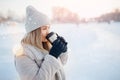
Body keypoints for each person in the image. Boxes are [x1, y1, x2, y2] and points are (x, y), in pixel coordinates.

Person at [14, 5, 69, 80]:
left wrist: (62, 51)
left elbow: (60, 64)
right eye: (44, 29)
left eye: (48, 28)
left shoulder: (45, 45)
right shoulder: (23, 55)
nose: (48, 32)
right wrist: (53, 56)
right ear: (34, 32)